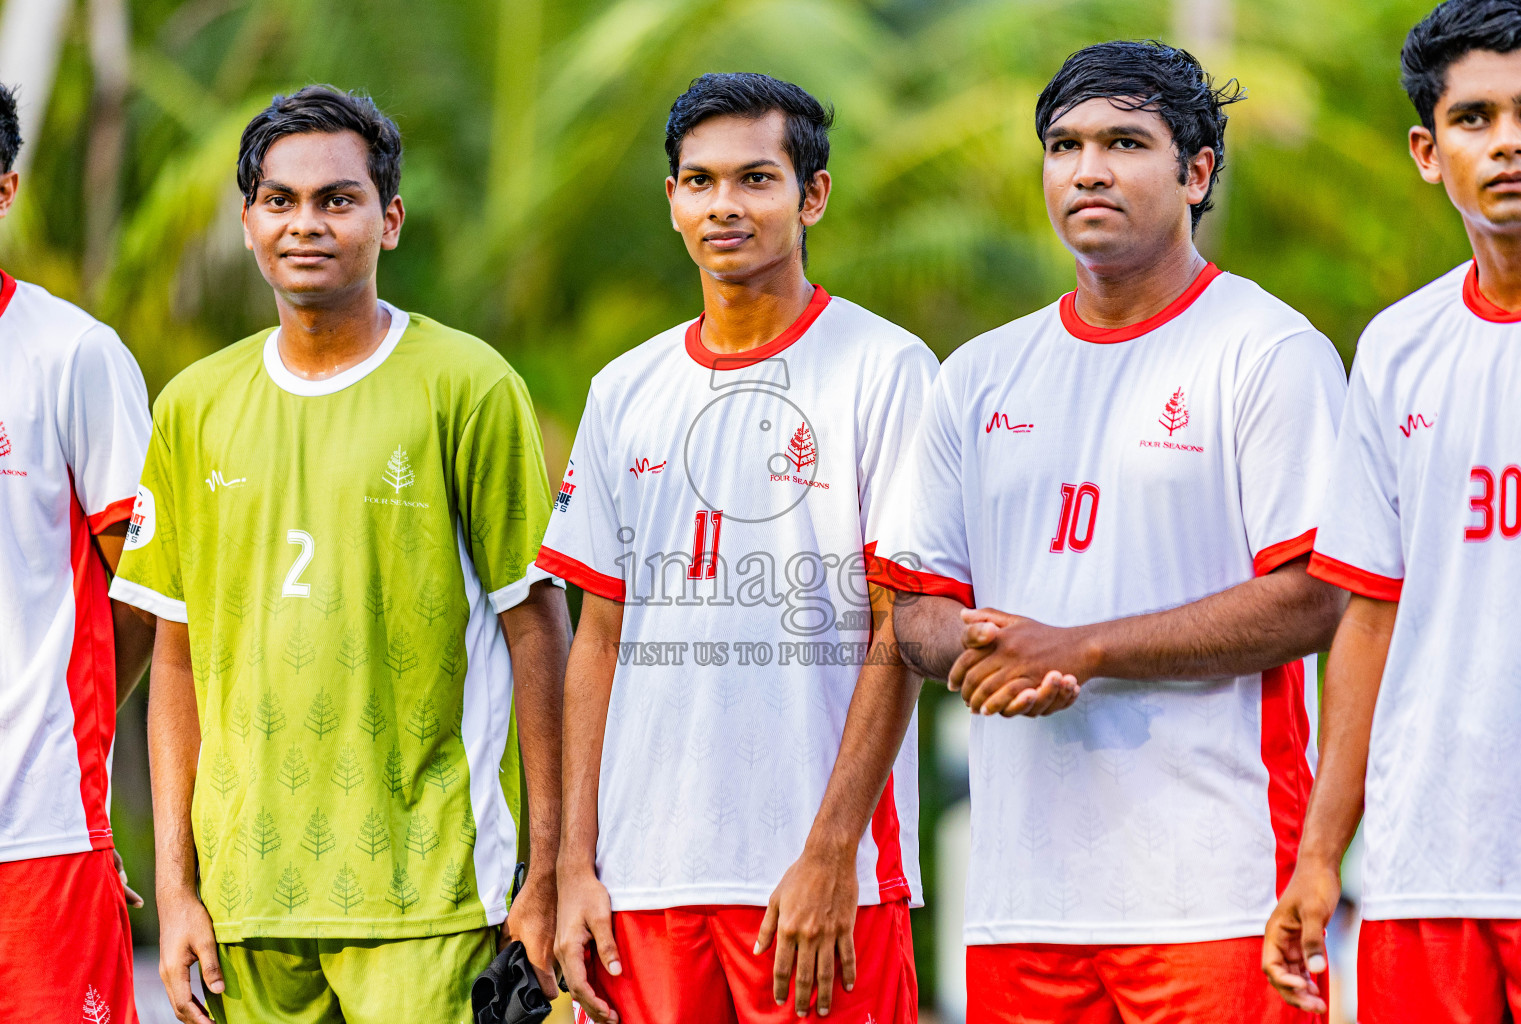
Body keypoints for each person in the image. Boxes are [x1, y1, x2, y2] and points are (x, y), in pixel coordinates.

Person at [872, 42, 1348, 1023]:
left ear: (1198, 172)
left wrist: (1084, 646)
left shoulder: (1268, 352)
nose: (1088, 168)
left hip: (1218, 892)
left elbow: (1313, 594)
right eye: (1064, 144)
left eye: (1125, 142)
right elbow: (912, 603)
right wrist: (977, 647)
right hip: (1022, 905)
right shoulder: (980, 375)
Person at [108, 86, 570, 1024]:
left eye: (338, 199)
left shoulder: (469, 386)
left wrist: (551, 872)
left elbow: (539, 631)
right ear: (246, 223)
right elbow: (177, 656)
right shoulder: (192, 406)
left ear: (388, 220)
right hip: (247, 908)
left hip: (428, 896)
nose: (305, 223)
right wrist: (180, 886)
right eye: (280, 201)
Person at [541, 73, 934, 1024]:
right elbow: (596, 641)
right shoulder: (623, 389)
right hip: (642, 889)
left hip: (815, 883)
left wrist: (834, 851)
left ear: (813, 196)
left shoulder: (889, 371)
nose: (725, 205)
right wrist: (573, 867)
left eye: (756, 178)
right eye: (699, 180)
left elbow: (904, 628)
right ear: (672, 199)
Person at [1263, 2, 1521, 1019]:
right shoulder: (1395, 347)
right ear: (1428, 150)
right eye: (1476, 119)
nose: (1507, 142)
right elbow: (1366, 613)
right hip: (1429, 868)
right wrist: (1320, 855)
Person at [0, 81, 154, 1024]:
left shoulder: (71, 355)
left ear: (6, 187)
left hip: (39, 837)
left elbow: (144, 597)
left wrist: (78, 768)